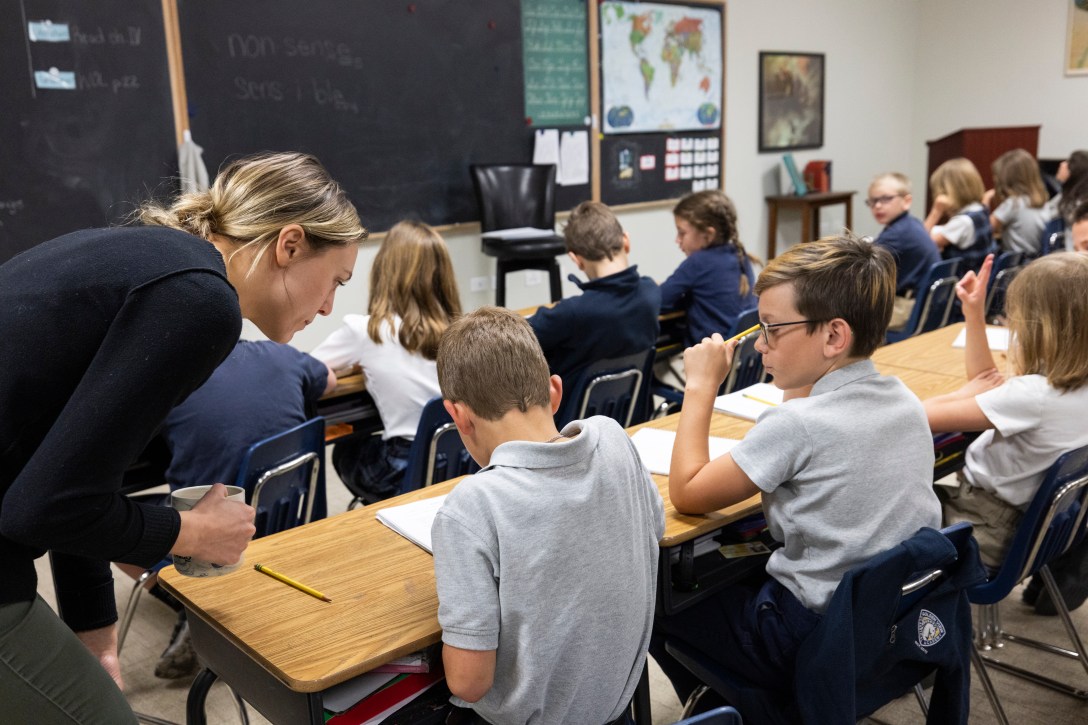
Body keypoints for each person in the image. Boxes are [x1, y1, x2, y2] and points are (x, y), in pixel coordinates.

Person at [0, 151, 366, 722]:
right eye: (335, 282)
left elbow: (73, 471)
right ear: (289, 245)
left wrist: (94, 632)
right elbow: (43, 509)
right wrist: (188, 531)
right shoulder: (200, 301)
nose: (328, 306)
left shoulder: (155, 263)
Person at [650, 234, 942, 722]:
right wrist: (789, 363)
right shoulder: (904, 399)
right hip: (883, 621)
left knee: (657, 605)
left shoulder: (797, 427)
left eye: (772, 330)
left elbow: (688, 492)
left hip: (805, 631)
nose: (760, 344)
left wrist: (699, 385)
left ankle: (747, 709)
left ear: (833, 337)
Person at [431, 307, 664, 724]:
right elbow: (654, 527)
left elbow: (469, 683)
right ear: (555, 391)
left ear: (458, 416)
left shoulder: (472, 506)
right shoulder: (613, 437)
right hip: (617, 710)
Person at [134, 339, 335, 678]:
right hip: (288, 517)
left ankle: (193, 608)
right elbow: (329, 380)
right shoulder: (280, 354)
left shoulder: (169, 373)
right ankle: (200, 608)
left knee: (103, 516)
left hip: (211, 534)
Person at [923, 254, 1088, 606]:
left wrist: (958, 395)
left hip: (982, 531)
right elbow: (987, 384)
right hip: (1034, 536)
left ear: (1041, 326)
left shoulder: (1034, 396)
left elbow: (917, 418)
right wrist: (973, 313)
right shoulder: (1063, 389)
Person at [311, 220, 461, 503]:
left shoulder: (367, 331)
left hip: (401, 471)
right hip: (460, 462)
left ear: (384, 272)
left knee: (347, 448)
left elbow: (305, 367)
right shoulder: (462, 333)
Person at [527, 201, 660, 381]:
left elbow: (514, 338)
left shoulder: (571, 313)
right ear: (626, 242)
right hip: (637, 408)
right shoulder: (651, 292)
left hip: (568, 409)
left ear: (576, 260)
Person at [660, 189, 758, 347]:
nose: (677, 240)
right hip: (745, 360)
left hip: (712, 362)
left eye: (682, 233)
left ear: (708, 234)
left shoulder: (698, 262)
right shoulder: (739, 255)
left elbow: (659, 301)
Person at [866, 172, 940, 329]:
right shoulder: (912, 224)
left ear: (906, 201)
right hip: (927, 306)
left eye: (885, 199)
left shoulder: (896, 234)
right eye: (872, 201)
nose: (877, 206)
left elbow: (864, 267)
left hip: (907, 308)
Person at [925, 157, 994, 273]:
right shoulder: (981, 210)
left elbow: (923, 243)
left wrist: (936, 212)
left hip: (960, 283)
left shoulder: (962, 222)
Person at [983, 148, 1048, 256]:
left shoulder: (1013, 204)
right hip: (1034, 257)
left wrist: (985, 200)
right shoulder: (1042, 201)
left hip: (1016, 263)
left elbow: (984, 228)